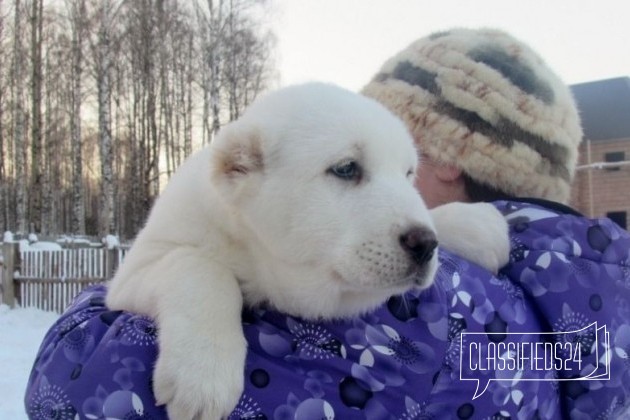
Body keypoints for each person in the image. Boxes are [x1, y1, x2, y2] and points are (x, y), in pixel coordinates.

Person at [25, 28, 630, 419]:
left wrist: (194, 289)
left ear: (450, 161)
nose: (412, 218)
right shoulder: (586, 305)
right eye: (350, 168)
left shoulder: (414, 331)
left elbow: (74, 386)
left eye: (405, 165)